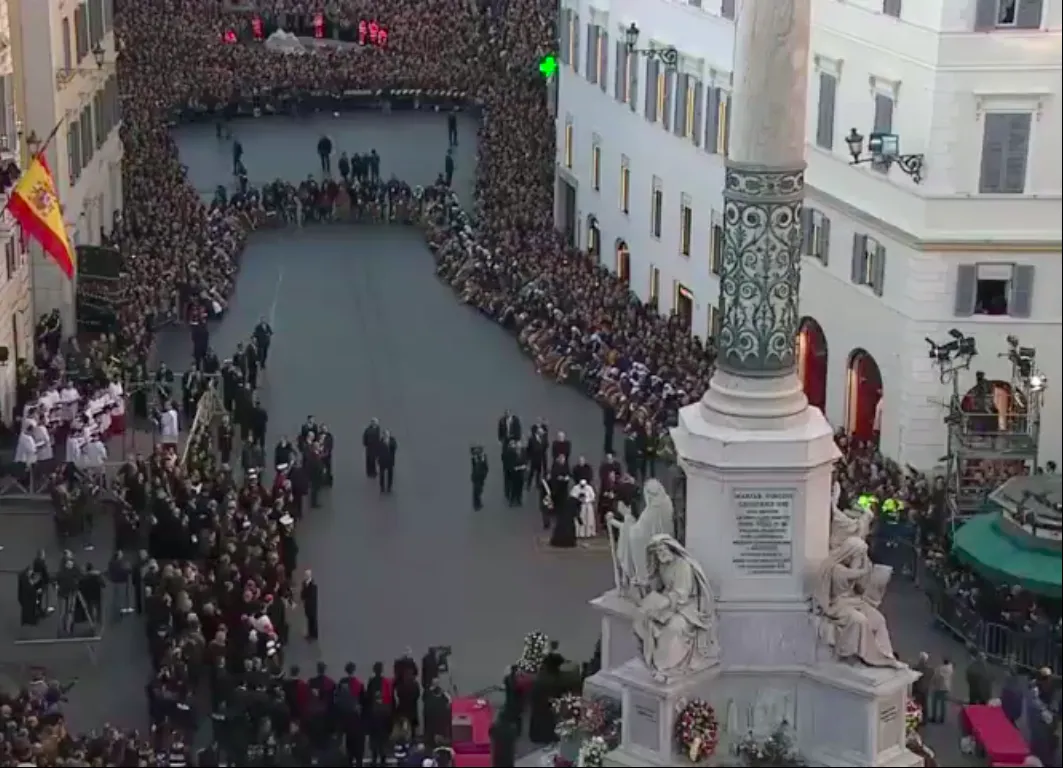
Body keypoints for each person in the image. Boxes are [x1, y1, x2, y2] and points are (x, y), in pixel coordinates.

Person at [300, 568, 319, 642]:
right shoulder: (304, 583)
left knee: (313, 620)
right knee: (309, 619)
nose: (306, 576)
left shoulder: (313, 585)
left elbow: (312, 596)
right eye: (305, 575)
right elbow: (303, 593)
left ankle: (313, 634)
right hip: (307, 605)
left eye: (307, 575)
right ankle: (311, 633)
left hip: (312, 605)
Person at [470, 445, 488, 510]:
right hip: (476, 477)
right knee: (476, 490)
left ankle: (478, 503)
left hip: (481, 477)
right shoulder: (475, 458)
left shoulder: (483, 457)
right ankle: (476, 505)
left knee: (479, 490)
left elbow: (486, 467)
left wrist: (484, 474)